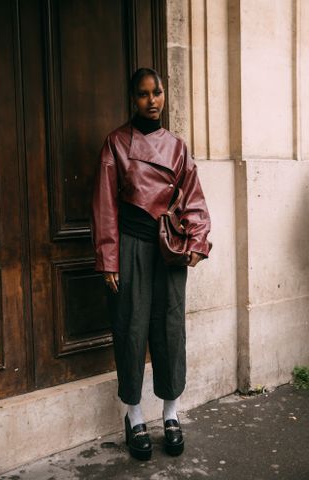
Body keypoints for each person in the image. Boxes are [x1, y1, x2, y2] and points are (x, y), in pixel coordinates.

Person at [91, 67, 211, 461]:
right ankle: (134, 413)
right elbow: (105, 206)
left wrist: (196, 238)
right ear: (133, 98)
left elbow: (193, 196)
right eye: (143, 94)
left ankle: (171, 413)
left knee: (170, 329)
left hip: (169, 250)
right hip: (130, 246)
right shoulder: (116, 143)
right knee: (130, 328)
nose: (152, 100)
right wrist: (109, 258)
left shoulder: (177, 146)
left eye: (157, 92)